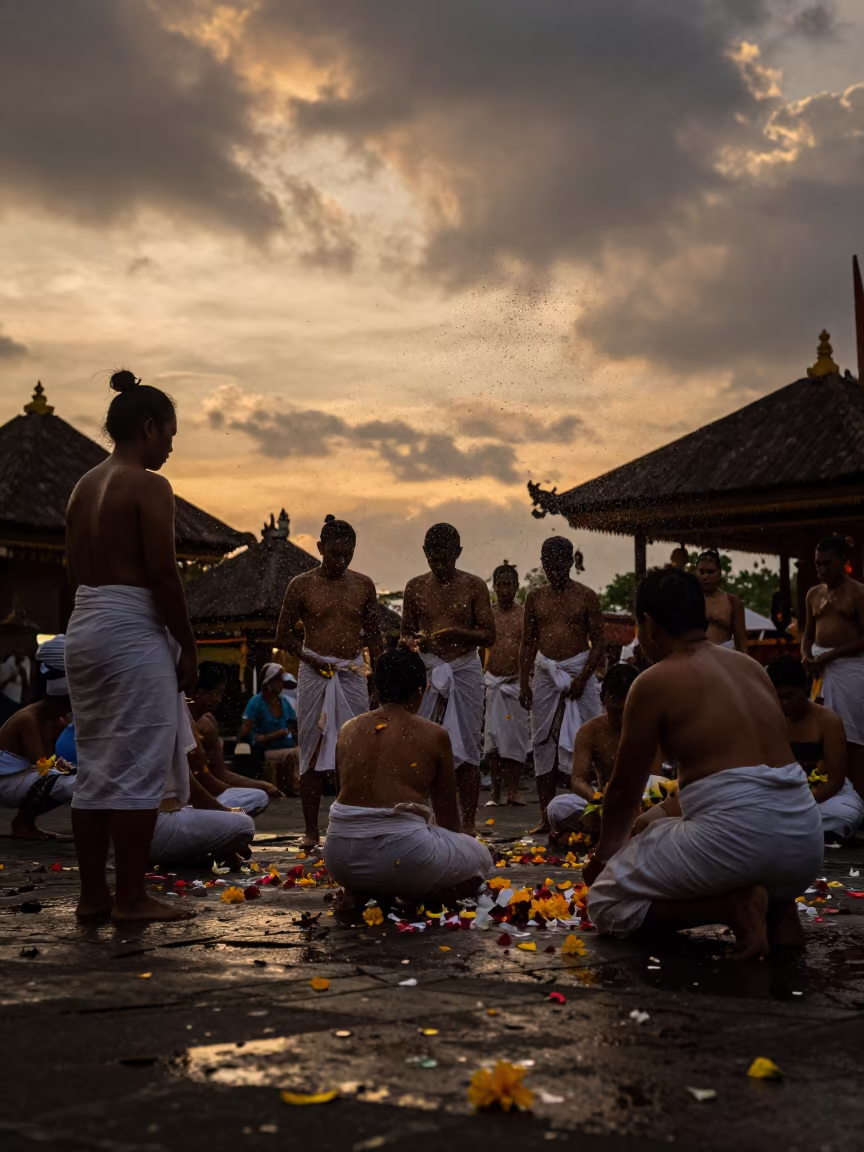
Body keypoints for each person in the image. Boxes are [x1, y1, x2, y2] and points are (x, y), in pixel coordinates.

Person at [585, 568, 823, 959]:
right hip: (803, 845)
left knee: (608, 904)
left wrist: (603, 860)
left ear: (648, 625)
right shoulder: (750, 668)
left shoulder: (653, 682)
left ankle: (734, 908)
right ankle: (780, 910)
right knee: (669, 827)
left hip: (739, 842)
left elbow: (625, 791)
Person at [65, 369, 197, 922]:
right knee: (138, 766)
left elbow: (76, 568)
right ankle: (132, 897)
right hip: (131, 627)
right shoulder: (149, 486)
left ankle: (93, 896)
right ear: (148, 427)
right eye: (169, 434)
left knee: (96, 765)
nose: (170, 446)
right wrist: (188, 646)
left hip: (86, 623)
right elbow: (164, 577)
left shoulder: (83, 486)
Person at [324, 648, 492, 906]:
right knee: (481, 856)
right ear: (421, 690)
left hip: (340, 859)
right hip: (403, 857)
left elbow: (344, 794)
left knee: (402, 851)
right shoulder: (434, 734)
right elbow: (448, 820)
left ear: (375, 689)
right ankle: (418, 893)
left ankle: (364, 888)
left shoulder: (348, 729)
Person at [275, 515, 384, 848]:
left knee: (356, 750)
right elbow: (283, 636)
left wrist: (378, 679)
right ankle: (311, 830)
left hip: (352, 672)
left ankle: (352, 824)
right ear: (320, 547)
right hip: (313, 671)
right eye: (334, 554)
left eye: (346, 555)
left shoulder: (363, 584)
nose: (340, 561)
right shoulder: (301, 585)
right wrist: (312, 660)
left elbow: (375, 637)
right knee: (312, 749)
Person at [55, 707, 255, 868]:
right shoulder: (166, 703)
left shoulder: (108, 707)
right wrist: (226, 815)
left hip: (111, 831)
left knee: (240, 807)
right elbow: (199, 783)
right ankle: (196, 853)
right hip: (151, 826)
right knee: (244, 823)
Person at [401, 523, 495, 835]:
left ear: (458, 553)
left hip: (464, 667)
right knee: (422, 745)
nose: (439, 566)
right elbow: (406, 634)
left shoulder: (474, 585)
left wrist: (457, 633)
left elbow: (489, 635)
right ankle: (422, 820)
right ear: (425, 554)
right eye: (433, 559)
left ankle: (467, 823)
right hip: (429, 669)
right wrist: (416, 643)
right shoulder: (415, 587)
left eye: (445, 559)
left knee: (468, 748)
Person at [519, 536, 605, 832]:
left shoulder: (586, 596)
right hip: (545, 672)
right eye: (548, 563)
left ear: (569, 563)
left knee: (595, 735)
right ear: (542, 563)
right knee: (543, 741)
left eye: (558, 563)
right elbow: (528, 642)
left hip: (580, 668)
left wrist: (583, 678)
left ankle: (599, 810)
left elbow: (599, 641)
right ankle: (545, 817)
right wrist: (524, 682)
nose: (553, 569)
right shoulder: (535, 596)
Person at [545, 663, 666, 839]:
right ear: (603, 699)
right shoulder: (590, 731)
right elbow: (578, 780)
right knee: (556, 808)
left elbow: (655, 782)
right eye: (614, 710)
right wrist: (597, 799)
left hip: (644, 804)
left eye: (625, 711)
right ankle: (608, 831)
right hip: (603, 803)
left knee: (663, 815)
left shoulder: (650, 730)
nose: (619, 718)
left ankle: (603, 833)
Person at [766, 656, 863, 841]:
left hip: (824, 795)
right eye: (777, 697)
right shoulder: (768, 719)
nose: (783, 703)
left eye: (789, 696)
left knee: (844, 814)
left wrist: (803, 802)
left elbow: (835, 781)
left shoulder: (828, 721)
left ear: (805, 688)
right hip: (782, 795)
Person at [802, 535, 864, 797]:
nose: (822, 569)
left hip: (849, 669)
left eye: (827, 563)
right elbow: (807, 633)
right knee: (821, 731)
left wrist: (832, 655)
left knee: (854, 736)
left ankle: (860, 796)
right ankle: (825, 789)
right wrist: (806, 655)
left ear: (844, 562)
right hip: (819, 670)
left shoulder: (859, 593)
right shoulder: (813, 594)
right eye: (818, 564)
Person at [0, 635, 76, 840]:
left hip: (22, 778)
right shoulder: (28, 718)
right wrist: (68, 769)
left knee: (78, 777)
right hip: (5, 782)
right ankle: (22, 824)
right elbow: (41, 765)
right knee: (68, 782)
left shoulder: (57, 722)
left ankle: (25, 822)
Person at [191, 662, 282, 812]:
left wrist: (263, 785)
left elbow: (221, 773)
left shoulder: (208, 722)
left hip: (208, 797)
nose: (219, 700)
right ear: (200, 692)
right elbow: (205, 780)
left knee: (259, 795)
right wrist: (227, 805)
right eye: (217, 693)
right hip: (187, 801)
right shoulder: (185, 722)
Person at [481, 562, 529, 807]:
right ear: (494, 587)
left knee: (517, 739)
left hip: (515, 684)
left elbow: (530, 649)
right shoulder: (487, 614)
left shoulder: (524, 614)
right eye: (500, 585)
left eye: (509, 585)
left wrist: (524, 682)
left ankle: (513, 790)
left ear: (517, 586)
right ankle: (495, 792)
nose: (504, 590)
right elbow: (481, 649)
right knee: (493, 740)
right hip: (493, 682)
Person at [237, 662, 297, 797]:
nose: (282, 683)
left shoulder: (284, 702)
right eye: (279, 679)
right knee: (296, 754)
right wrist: (276, 734)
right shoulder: (256, 702)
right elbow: (246, 734)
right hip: (266, 750)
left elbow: (294, 724)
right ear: (269, 681)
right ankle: (298, 787)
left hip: (287, 746)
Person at [695, 549, 748, 653]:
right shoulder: (689, 599)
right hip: (695, 656)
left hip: (723, 655)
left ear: (719, 573)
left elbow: (741, 639)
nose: (705, 577)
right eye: (701, 572)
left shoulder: (732, 601)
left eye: (711, 572)